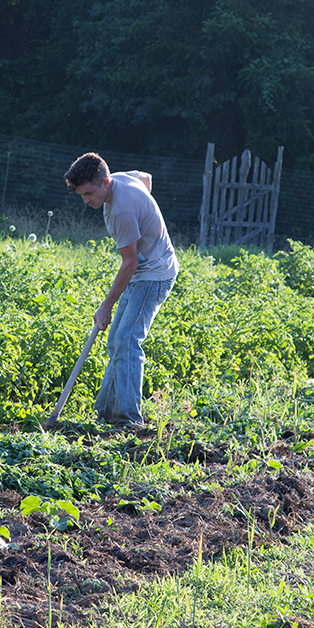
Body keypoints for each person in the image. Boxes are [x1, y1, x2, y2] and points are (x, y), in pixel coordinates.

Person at [64, 152, 179, 428]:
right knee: (116, 338)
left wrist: (106, 306)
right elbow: (145, 179)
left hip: (154, 274)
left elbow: (128, 263)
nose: (86, 200)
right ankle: (106, 412)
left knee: (127, 339)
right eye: (82, 195)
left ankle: (128, 420)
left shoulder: (121, 211)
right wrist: (147, 212)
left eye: (89, 193)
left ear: (104, 182)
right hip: (142, 270)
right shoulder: (120, 179)